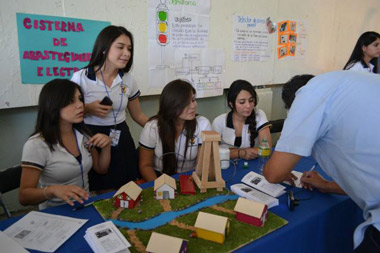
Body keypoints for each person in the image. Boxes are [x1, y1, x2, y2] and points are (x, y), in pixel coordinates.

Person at [263, 72, 380, 252]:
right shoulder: (352, 83)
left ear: (292, 106)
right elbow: (369, 172)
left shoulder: (310, 94)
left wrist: (280, 164)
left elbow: (273, 173)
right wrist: (328, 185)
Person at [71, 25, 148, 193]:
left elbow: (138, 115)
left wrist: (159, 128)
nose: (126, 53)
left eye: (129, 48)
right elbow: (66, 112)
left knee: (127, 188)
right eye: (120, 47)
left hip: (120, 134)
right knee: (101, 190)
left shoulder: (128, 79)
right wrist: (88, 108)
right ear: (104, 48)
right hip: (91, 136)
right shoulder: (81, 77)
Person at [19, 79, 111, 209]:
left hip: (86, 205)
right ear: (53, 105)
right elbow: (24, 196)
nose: (80, 105)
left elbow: (101, 169)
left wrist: (106, 146)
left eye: (80, 99)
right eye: (70, 101)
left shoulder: (83, 135)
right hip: (56, 212)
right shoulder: (36, 144)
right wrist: (52, 190)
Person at [139, 79, 212, 181]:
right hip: (159, 177)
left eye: (193, 100)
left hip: (191, 177)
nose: (193, 106)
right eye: (186, 103)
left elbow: (202, 166)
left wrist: (194, 180)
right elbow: (145, 165)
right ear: (171, 105)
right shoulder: (152, 127)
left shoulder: (203, 124)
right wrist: (158, 185)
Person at [212, 80, 272, 160]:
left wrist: (229, 152)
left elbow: (267, 148)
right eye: (242, 102)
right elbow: (212, 153)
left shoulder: (259, 115)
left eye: (251, 100)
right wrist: (240, 153)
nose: (248, 106)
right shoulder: (219, 122)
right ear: (231, 104)